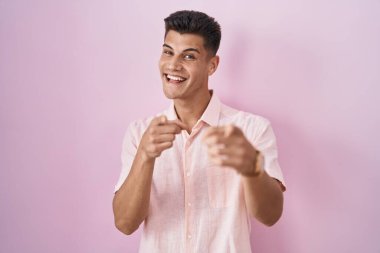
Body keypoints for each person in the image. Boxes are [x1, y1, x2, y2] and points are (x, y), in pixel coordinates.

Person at [112, 10, 286, 253]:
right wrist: (144, 156)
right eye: (167, 51)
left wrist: (252, 167)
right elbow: (124, 223)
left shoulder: (251, 129)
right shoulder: (140, 132)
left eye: (189, 56)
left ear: (212, 65)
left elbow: (270, 216)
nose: (173, 65)